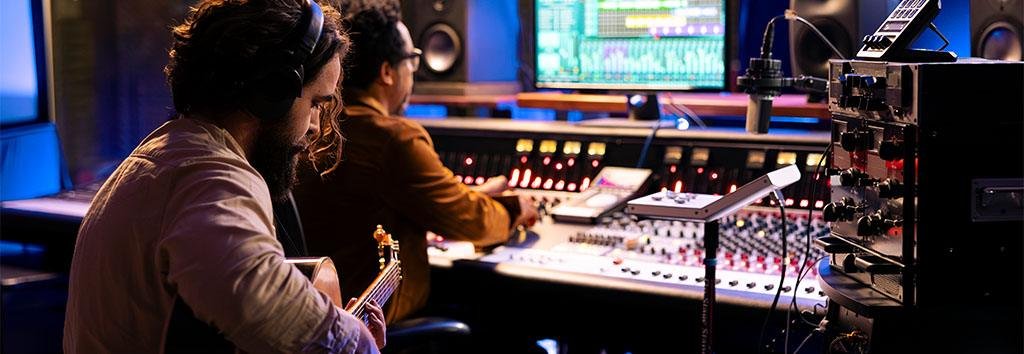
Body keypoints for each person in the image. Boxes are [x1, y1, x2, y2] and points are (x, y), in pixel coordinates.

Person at [62, 0, 387, 352]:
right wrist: (356, 341)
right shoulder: (212, 177)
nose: (315, 126)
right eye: (315, 104)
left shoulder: (164, 158)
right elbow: (264, 303)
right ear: (274, 91)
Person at [291, 0, 539, 324]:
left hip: (320, 313)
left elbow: (395, 201)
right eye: (411, 59)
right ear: (387, 72)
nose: (414, 70)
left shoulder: (314, 128)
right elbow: (469, 222)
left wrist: (473, 195)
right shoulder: (393, 139)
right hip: (374, 325)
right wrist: (516, 209)